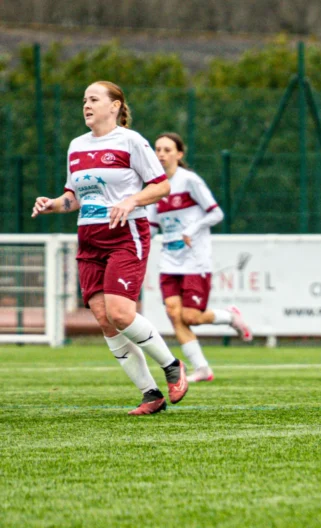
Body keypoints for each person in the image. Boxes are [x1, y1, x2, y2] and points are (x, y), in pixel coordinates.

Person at [32, 81, 188, 415]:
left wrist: (132, 200)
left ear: (115, 106)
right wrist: (52, 204)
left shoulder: (131, 141)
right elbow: (74, 197)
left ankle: (172, 365)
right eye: (83, 100)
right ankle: (150, 394)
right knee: (105, 320)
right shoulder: (76, 145)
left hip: (124, 235)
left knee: (120, 313)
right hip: (89, 238)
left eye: (93, 99)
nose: (86, 105)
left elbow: (161, 186)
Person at [147, 132, 253, 383]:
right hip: (169, 261)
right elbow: (150, 227)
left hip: (195, 260)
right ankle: (202, 368)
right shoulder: (153, 187)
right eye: (157, 149)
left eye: (167, 150)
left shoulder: (189, 180)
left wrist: (191, 230)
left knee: (191, 317)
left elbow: (216, 214)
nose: (161, 154)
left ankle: (230, 316)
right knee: (174, 314)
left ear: (179, 154)